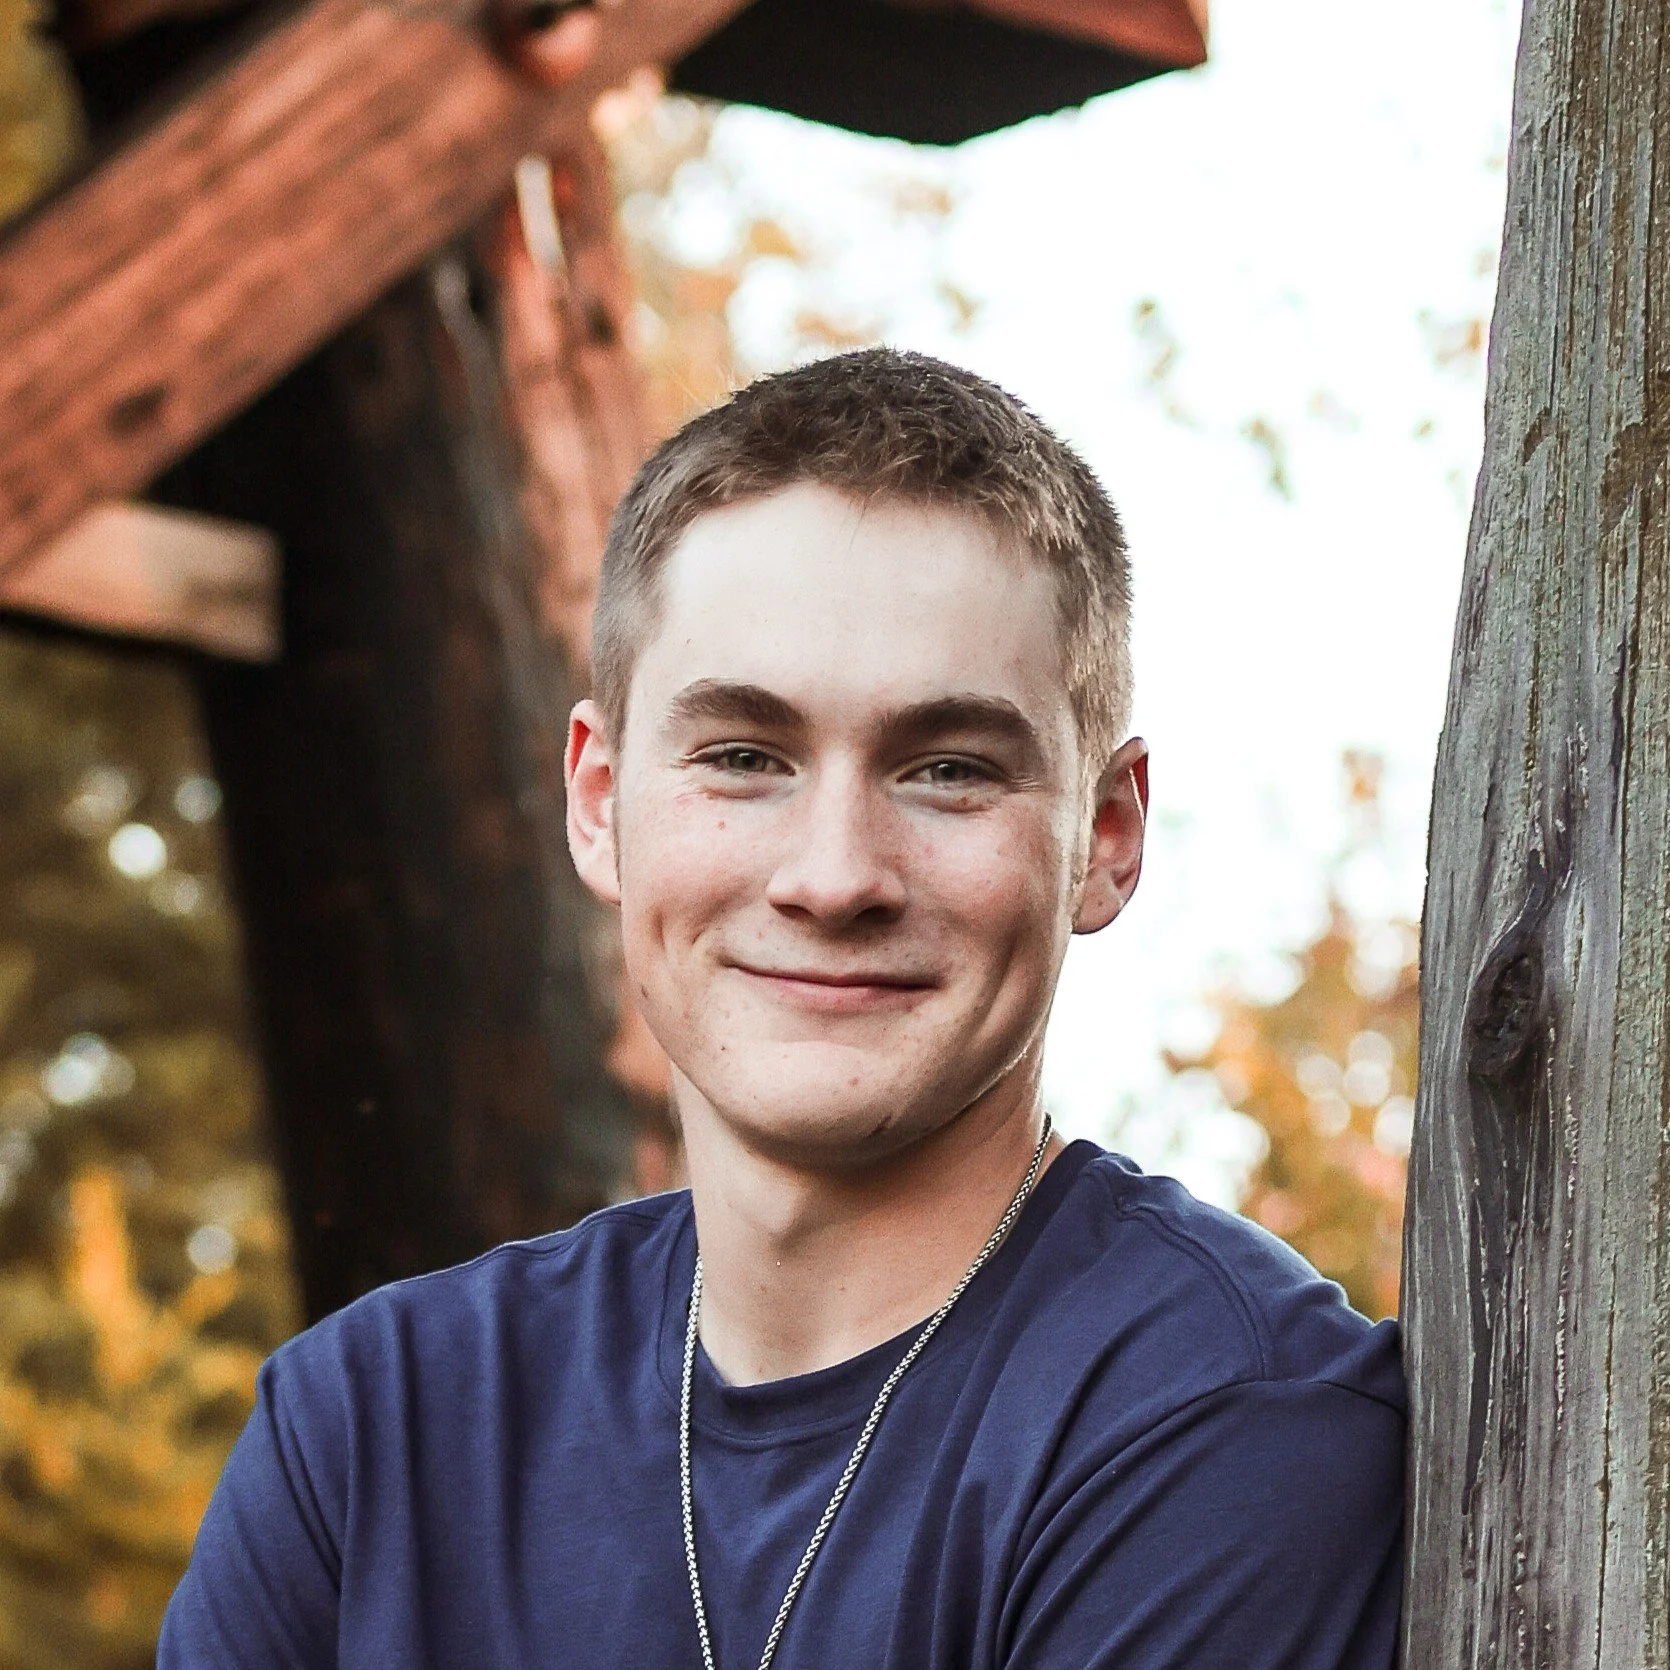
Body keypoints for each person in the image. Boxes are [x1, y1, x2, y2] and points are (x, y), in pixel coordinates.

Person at [159, 348, 1404, 1669]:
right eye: (743, 756)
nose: (832, 875)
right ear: (598, 801)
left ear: (1101, 834)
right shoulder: (372, 1429)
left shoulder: (1228, 1423)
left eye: (945, 770)